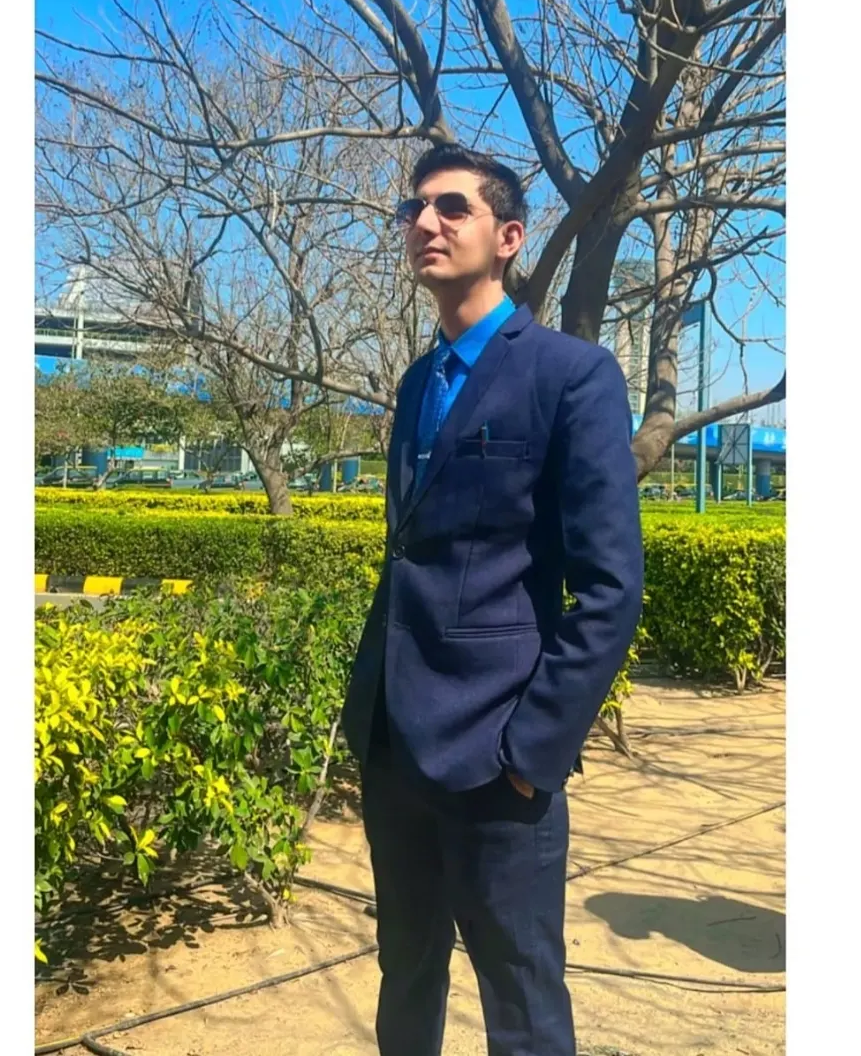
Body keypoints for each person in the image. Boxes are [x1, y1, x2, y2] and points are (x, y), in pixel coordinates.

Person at [340, 143, 644, 1056]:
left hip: (496, 753)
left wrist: (531, 752)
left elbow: (609, 588)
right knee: (406, 973)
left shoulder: (571, 375)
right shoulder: (416, 382)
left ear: (509, 238)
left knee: (520, 1000)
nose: (424, 223)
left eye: (451, 208)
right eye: (415, 209)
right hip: (395, 746)